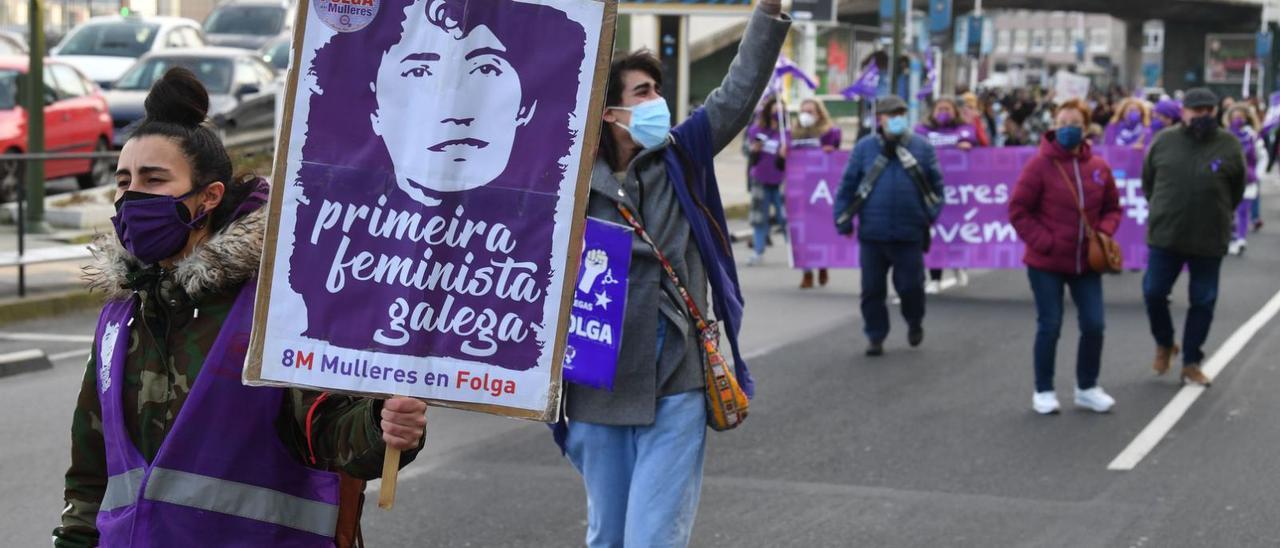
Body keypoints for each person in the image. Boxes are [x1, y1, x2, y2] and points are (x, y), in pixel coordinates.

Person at [54, 68, 428, 547]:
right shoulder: (119, 318)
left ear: (208, 197)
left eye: (154, 179)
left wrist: (383, 423)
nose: (132, 197)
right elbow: (91, 473)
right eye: (124, 181)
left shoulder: (278, 309)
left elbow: (329, 432)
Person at [559, 2, 789, 546]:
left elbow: (738, 91)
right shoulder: (568, 184)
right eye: (642, 93)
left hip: (677, 383)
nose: (656, 102)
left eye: (657, 91)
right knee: (607, 536)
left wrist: (769, 14)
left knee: (654, 537)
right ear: (609, 112)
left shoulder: (684, 156)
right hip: (596, 389)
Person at [1008, 99, 1123, 415]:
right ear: (1054, 125)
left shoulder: (1099, 168)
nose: (1067, 128)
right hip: (1046, 262)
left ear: (1085, 129)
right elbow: (1018, 210)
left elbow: (1114, 207)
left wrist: (1104, 232)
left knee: (1095, 324)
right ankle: (1043, 390)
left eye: (1074, 123)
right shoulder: (1039, 165)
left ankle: (1087, 387)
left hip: (1087, 262)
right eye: (1062, 122)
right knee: (1050, 324)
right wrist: (1044, 241)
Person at [1142, 88, 1246, 387]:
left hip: (1209, 238)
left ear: (1214, 112)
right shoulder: (1164, 141)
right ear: (1183, 112)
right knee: (1153, 292)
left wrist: (1218, 211)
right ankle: (1165, 343)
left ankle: (1191, 361)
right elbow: (1148, 182)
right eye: (1195, 110)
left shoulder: (1228, 144)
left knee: (1203, 301)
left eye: (1207, 110)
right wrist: (1164, 209)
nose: (1201, 115)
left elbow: (1236, 190)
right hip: (1166, 234)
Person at [834, 95, 944, 357]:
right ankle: (875, 335)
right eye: (890, 115)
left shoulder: (921, 147)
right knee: (872, 290)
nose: (895, 119)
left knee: (911, 287)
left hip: (909, 233)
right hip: (873, 233)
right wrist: (843, 218)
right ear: (879, 119)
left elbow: (936, 187)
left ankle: (914, 320)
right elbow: (848, 185)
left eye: (900, 114)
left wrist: (929, 214)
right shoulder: (864, 148)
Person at [791, 97, 842, 288]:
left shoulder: (831, 132)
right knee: (800, 233)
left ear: (819, 113)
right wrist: (782, 154)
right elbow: (782, 164)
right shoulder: (792, 133)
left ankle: (822, 264)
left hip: (820, 189)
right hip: (797, 189)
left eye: (810, 111)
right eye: (803, 111)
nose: (806, 115)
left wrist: (830, 151)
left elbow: (837, 161)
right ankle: (806, 272)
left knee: (819, 230)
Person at [746, 95, 788, 266]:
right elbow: (749, 153)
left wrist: (784, 154)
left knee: (785, 217)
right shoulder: (757, 130)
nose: (778, 114)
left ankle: (795, 251)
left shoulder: (787, 133)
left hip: (782, 181)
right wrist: (754, 149)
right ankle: (758, 251)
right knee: (759, 218)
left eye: (781, 110)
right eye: (775, 110)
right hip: (760, 179)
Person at [1225, 104, 1262, 254]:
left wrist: (1257, 174)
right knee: (1229, 211)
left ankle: (1241, 239)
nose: (1237, 120)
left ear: (1246, 118)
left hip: (1248, 179)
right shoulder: (1224, 136)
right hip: (1228, 180)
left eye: (1240, 117)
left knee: (1243, 210)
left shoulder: (1252, 135)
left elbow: (1261, 156)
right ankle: (1232, 237)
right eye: (1234, 117)